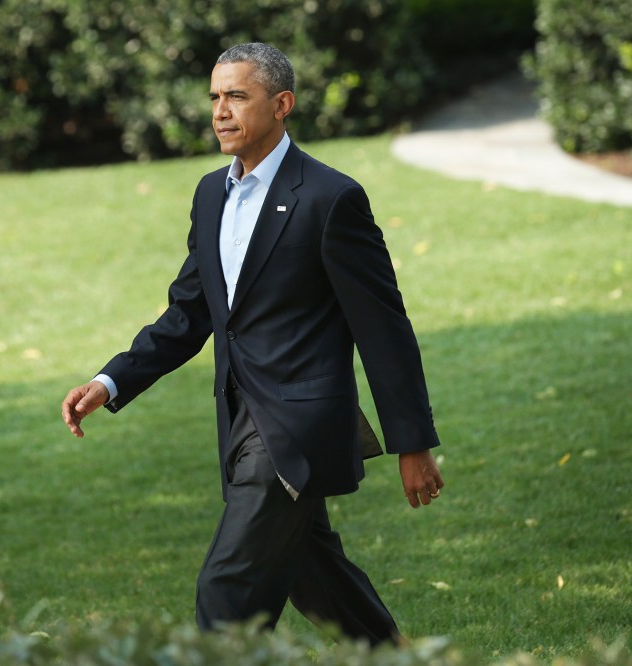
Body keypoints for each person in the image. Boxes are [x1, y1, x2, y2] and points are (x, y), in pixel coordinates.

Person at [61, 42, 444, 646]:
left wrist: (413, 441)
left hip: (297, 428)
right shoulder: (211, 195)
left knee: (228, 591)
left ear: (281, 104)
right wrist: (110, 381)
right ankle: (390, 655)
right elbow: (189, 312)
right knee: (315, 575)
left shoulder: (330, 198)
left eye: (237, 96)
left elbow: (384, 328)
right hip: (238, 419)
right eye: (215, 96)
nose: (220, 111)